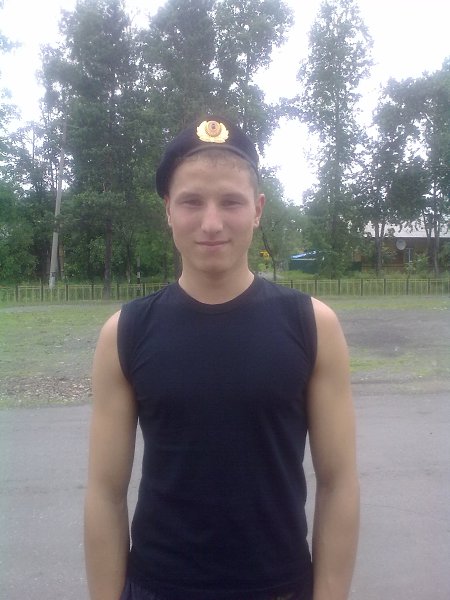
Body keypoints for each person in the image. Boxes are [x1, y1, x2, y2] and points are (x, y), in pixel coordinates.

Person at [84, 116, 359, 600]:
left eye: (231, 202)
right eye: (191, 201)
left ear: (257, 210)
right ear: (168, 210)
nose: (211, 223)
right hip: (157, 587)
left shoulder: (313, 326)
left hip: (280, 588)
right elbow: (105, 491)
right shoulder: (125, 333)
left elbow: (339, 483)